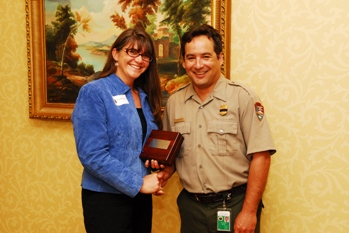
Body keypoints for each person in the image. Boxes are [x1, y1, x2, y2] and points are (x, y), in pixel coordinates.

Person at [156, 24, 277, 233]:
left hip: (235, 205)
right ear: (183, 62)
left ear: (220, 58)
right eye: (191, 57)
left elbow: (261, 156)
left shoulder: (243, 98)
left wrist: (249, 212)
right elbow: (173, 155)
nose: (198, 64)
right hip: (191, 208)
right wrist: (163, 172)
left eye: (206, 56)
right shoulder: (175, 103)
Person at [72, 27, 165, 233]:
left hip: (140, 199)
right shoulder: (94, 92)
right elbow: (92, 155)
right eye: (132, 52)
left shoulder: (144, 96)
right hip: (106, 199)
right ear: (115, 54)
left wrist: (155, 161)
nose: (139, 60)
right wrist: (138, 184)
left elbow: (140, 145)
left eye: (145, 55)